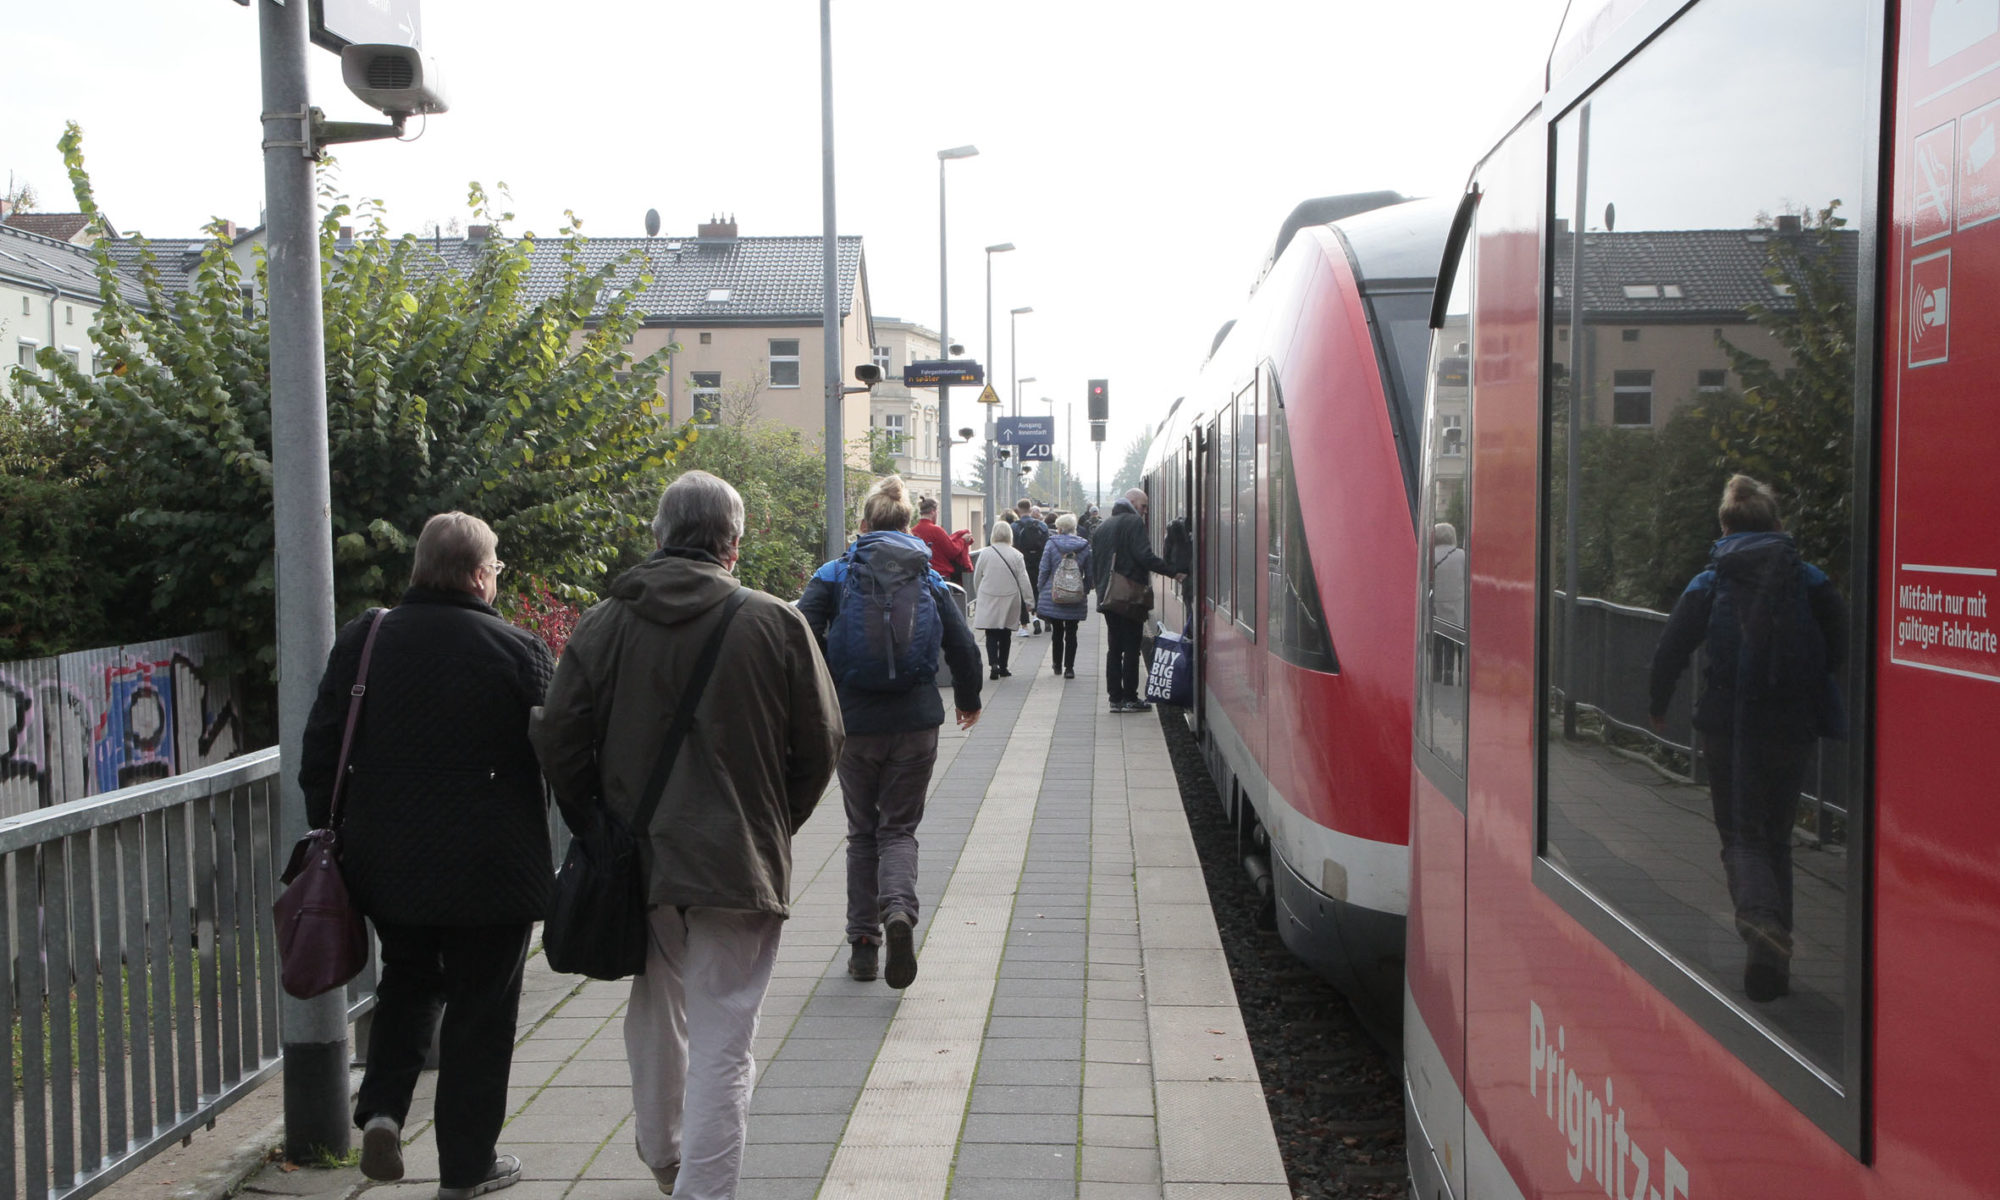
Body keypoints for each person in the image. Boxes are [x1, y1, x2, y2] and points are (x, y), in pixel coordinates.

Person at [530, 471, 843, 1198]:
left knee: (655, 1006)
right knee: (725, 1039)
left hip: (638, 860)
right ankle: (703, 1188)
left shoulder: (606, 623)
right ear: (733, 543)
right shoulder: (774, 622)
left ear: (659, 535)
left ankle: (663, 1152)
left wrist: (596, 826)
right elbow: (823, 740)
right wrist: (772, 822)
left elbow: (559, 737)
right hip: (736, 862)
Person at [299, 512, 554, 1200]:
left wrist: (337, 842)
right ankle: (466, 1170)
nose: (497, 578)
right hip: (494, 870)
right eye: (496, 568)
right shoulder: (520, 651)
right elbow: (559, 753)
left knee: (408, 980)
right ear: (478, 575)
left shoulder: (366, 640)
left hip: (388, 863)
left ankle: (382, 1110)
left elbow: (321, 748)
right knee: (482, 1012)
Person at [1648, 474, 1846, 1005]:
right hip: (1792, 729)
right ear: (1777, 524)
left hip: (1728, 726)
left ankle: (1761, 926)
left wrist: (1657, 705)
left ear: (1725, 525)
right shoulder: (1809, 579)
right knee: (1776, 839)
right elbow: (1840, 644)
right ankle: (1772, 964)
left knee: (1741, 837)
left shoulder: (1711, 581)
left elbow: (1671, 649)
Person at [798, 475, 982, 988]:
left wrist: (810, 704)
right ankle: (898, 910)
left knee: (862, 833)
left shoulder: (835, 573)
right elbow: (963, 646)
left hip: (853, 723)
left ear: (864, 524)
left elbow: (799, 637)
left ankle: (863, 948)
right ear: (909, 525)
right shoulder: (929, 575)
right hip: (916, 721)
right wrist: (969, 700)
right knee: (898, 829)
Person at [1089, 488, 1180, 714]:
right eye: (1143, 506)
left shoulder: (1103, 527)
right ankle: (1130, 697)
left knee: (1114, 648)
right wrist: (1173, 572)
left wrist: (1101, 590)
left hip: (1108, 596)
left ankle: (1115, 698)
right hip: (1129, 597)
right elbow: (1144, 556)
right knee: (1131, 647)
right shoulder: (1133, 523)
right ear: (1131, 502)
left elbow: (1097, 564)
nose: (1145, 511)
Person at [971, 520, 1035, 680]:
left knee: (990, 631)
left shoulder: (985, 553)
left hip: (988, 595)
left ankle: (993, 664)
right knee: (1006, 632)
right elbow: (1024, 579)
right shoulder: (1016, 554)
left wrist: (979, 593)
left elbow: (977, 576)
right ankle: (1004, 666)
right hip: (1010, 596)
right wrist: (1029, 600)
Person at [1036, 511, 1093, 679]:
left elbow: (1044, 569)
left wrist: (1041, 588)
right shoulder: (1084, 546)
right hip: (1075, 593)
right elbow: (1089, 573)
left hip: (1055, 593)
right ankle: (1069, 668)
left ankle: (1057, 665)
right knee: (1072, 632)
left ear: (1059, 529)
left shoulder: (1051, 544)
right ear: (1074, 528)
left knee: (1057, 631)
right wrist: (1086, 589)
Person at [913, 496, 972, 583]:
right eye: (937, 512)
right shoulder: (936, 530)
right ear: (933, 512)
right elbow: (952, 551)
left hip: (921, 577)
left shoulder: (913, 531)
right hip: (940, 576)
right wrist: (962, 540)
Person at [1013, 504, 1052, 635]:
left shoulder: (1014, 526)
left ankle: (1024, 626)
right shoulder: (1042, 526)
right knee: (1038, 589)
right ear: (1030, 510)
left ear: (1018, 510)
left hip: (1021, 563)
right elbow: (1048, 546)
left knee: (1022, 592)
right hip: (1039, 563)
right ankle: (1039, 617)